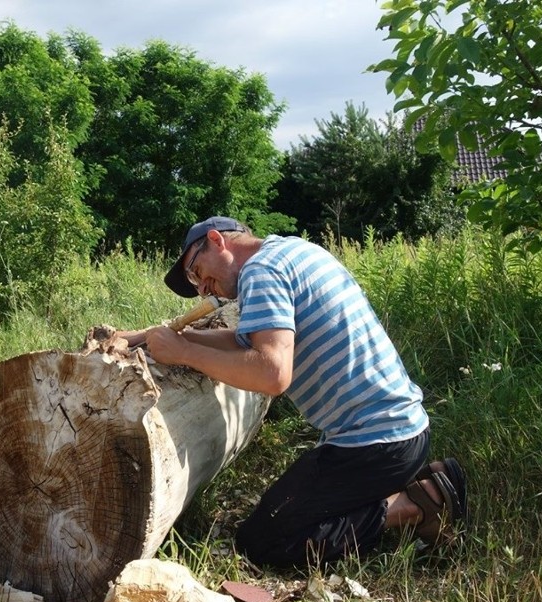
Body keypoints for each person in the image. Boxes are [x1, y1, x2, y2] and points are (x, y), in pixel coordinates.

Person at [130, 216, 467, 569]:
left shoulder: (261, 271)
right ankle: (416, 478)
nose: (203, 289)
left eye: (196, 272)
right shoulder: (289, 252)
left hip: (374, 444)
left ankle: (416, 505)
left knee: (263, 542)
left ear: (216, 240)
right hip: (401, 431)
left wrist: (184, 354)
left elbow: (272, 373)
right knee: (283, 515)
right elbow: (243, 341)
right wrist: (161, 338)